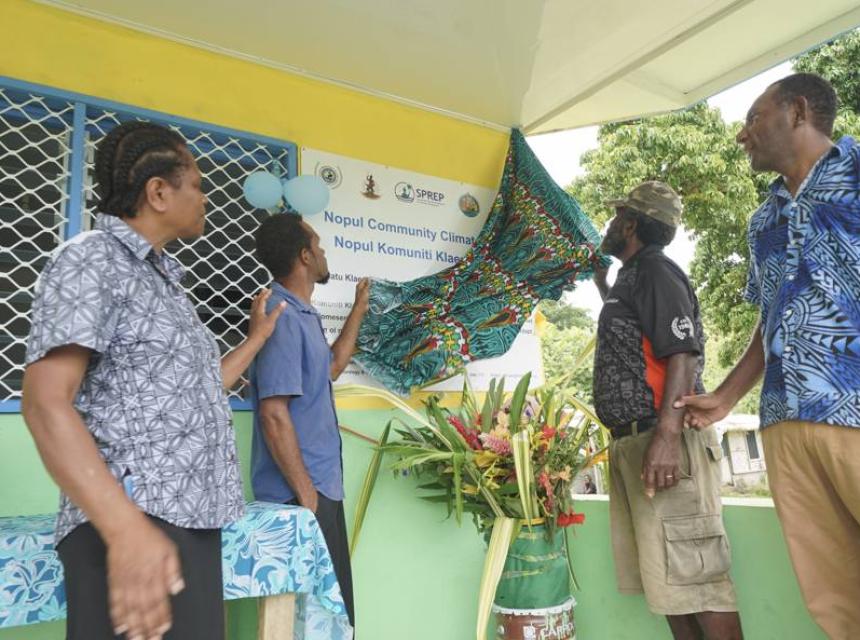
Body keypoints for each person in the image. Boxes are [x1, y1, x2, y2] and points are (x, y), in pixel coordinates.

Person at [21, 121, 284, 640]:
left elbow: (202, 387)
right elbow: (46, 403)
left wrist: (255, 340)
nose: (207, 198)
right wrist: (125, 530)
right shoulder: (92, 259)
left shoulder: (161, 281)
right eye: (199, 185)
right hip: (134, 524)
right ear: (158, 192)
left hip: (187, 524)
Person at [677, 73, 860, 639]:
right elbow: (771, 317)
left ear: (797, 112)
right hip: (785, 422)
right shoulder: (763, 221)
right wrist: (727, 397)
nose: (741, 135)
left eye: (753, 117)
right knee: (833, 592)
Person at [593, 181, 743, 640]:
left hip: (664, 445)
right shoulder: (632, 277)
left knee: (699, 584)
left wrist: (666, 438)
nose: (610, 224)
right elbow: (640, 343)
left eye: (617, 216)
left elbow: (682, 352)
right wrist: (602, 286)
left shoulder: (657, 271)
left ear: (631, 224)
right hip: (639, 444)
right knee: (671, 588)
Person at [250, 213, 369, 629]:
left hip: (318, 487)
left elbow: (332, 367)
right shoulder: (280, 316)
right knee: (308, 620)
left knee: (330, 615)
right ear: (304, 256)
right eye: (317, 246)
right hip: (299, 496)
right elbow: (273, 413)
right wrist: (307, 496)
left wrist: (358, 310)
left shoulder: (302, 313)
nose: (322, 252)